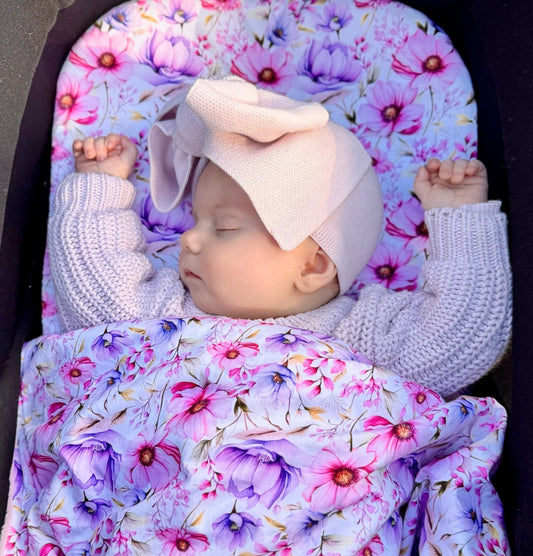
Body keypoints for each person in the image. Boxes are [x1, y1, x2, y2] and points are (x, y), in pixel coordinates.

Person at [48, 77, 511, 397]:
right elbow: (96, 299)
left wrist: (459, 219)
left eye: (224, 227)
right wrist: (99, 191)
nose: (188, 240)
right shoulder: (168, 316)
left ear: (313, 265)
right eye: (196, 220)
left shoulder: (360, 338)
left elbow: (461, 337)